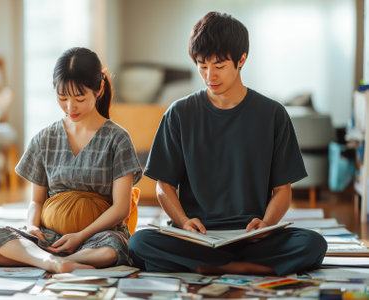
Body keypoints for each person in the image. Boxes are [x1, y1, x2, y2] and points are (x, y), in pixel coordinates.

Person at [129, 11, 327, 276]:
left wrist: (266, 224)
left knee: (313, 244)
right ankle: (244, 269)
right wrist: (183, 222)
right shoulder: (178, 114)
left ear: (241, 59)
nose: (210, 75)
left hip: (253, 237)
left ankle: (211, 268)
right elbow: (163, 186)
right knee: (140, 242)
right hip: (197, 236)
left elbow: (282, 190)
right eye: (202, 65)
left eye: (219, 66)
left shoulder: (273, 114)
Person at [0, 47, 142, 273]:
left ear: (99, 89)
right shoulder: (45, 138)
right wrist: (32, 226)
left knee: (115, 248)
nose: (70, 107)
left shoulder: (118, 139)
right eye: (62, 97)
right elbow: (36, 201)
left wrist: (79, 237)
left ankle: (48, 259)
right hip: (50, 237)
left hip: (97, 237)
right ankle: (53, 262)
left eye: (79, 97)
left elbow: (121, 209)